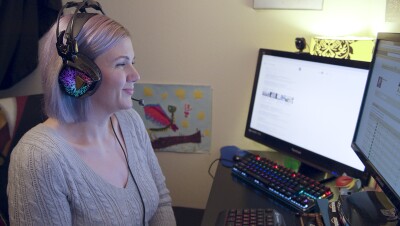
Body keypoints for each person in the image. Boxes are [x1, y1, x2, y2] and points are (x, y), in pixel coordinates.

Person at [7, 1, 176, 225]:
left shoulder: (130, 123)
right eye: (120, 64)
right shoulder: (38, 158)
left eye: (132, 62)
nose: (135, 74)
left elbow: (161, 201)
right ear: (79, 77)